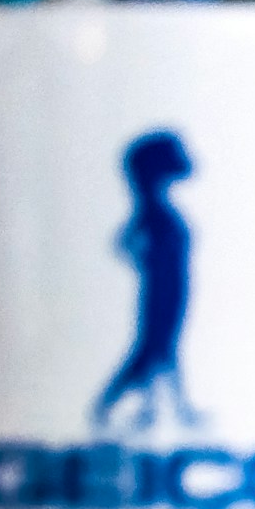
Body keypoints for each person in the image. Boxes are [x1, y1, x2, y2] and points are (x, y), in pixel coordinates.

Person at [94, 129, 199, 431]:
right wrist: (147, 264)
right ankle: (112, 404)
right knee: (153, 349)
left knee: (164, 348)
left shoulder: (160, 210)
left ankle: (160, 410)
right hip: (162, 289)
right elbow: (124, 242)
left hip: (174, 286)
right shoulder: (154, 212)